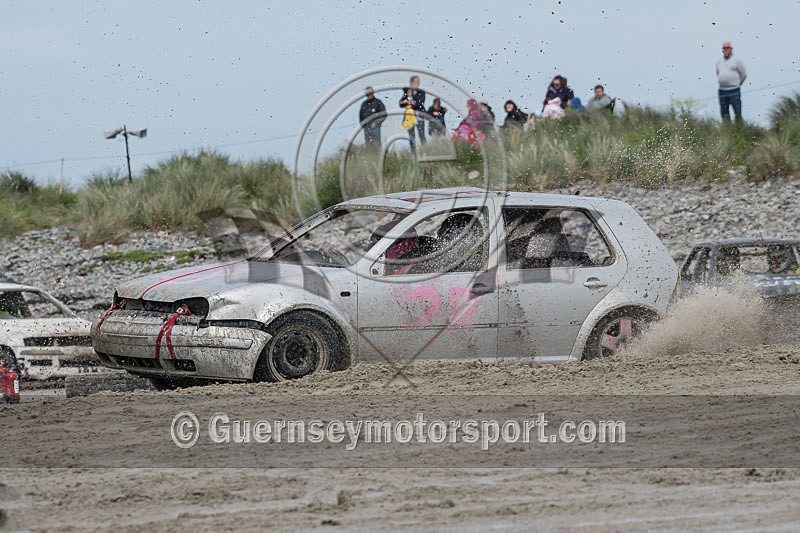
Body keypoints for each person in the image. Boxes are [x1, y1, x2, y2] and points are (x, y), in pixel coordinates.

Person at [716, 41, 747, 123]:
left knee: (737, 110)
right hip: (722, 90)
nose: (726, 49)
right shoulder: (719, 62)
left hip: (734, 89)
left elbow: (743, 74)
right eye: (724, 48)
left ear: (731, 49)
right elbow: (718, 73)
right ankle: (727, 128)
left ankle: (739, 127)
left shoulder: (737, 60)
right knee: (724, 112)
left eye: (727, 47)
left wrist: (738, 83)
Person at [399, 75, 427, 150]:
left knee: (421, 135)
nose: (417, 83)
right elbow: (401, 103)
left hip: (419, 116)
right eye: (415, 81)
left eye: (418, 81)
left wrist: (410, 105)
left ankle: (426, 151)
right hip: (409, 117)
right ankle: (413, 153)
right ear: (411, 82)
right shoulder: (407, 92)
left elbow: (420, 103)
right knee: (411, 137)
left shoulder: (422, 92)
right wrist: (408, 103)